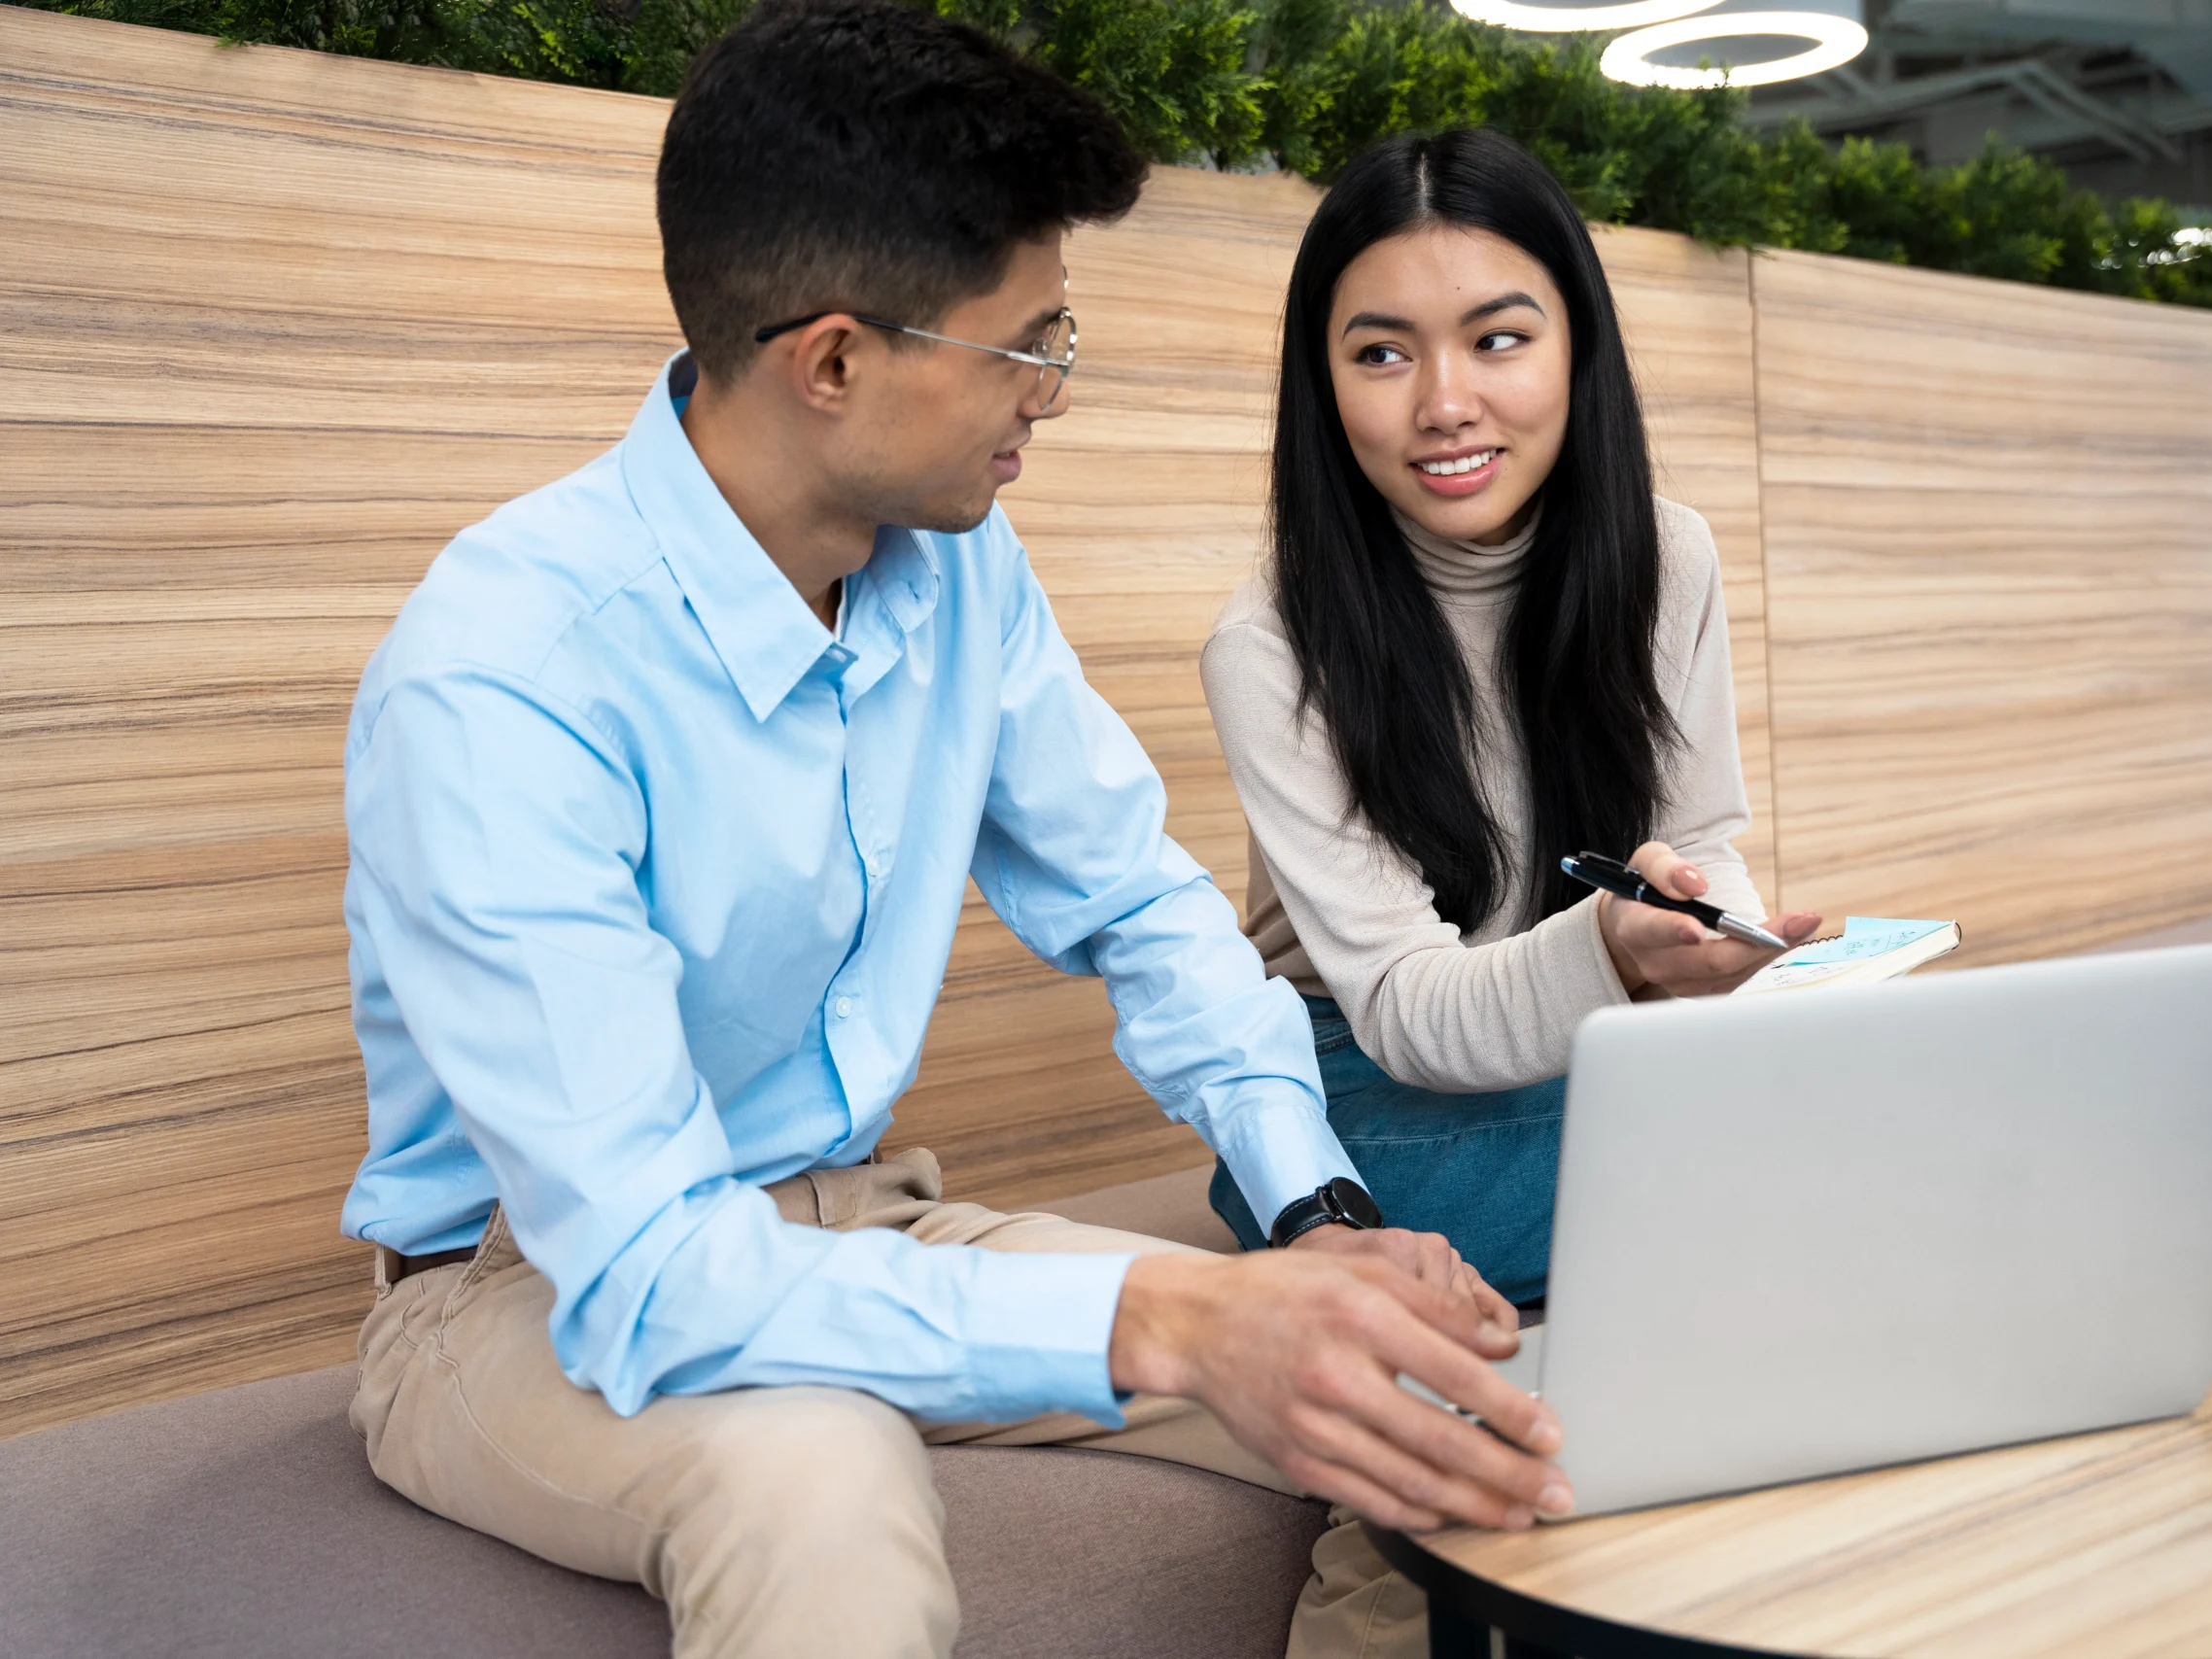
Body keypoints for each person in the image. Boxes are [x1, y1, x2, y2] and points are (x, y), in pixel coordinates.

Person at [335, 10, 1566, 1656]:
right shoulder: (501, 679)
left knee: (1439, 1385)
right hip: (529, 1291)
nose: (1052, 396)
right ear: (835, 358)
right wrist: (1178, 1314)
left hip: (851, 1206)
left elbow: (1139, 902)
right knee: (813, 1470)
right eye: (1028, 345)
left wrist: (1320, 1225)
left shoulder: (960, 565)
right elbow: (644, 1267)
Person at [1200, 130, 1823, 1302]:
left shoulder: (1667, 557)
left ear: (1574, 342)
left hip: (1592, 1038)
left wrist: (1722, 939)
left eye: (1497, 340)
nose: (1445, 404)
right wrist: (1608, 947)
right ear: (1321, 385)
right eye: (1381, 354)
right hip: (1353, 1090)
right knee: (1784, 1163)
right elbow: (1402, 1011)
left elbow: (1697, 847)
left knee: (1857, 1091)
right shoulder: (1271, 647)